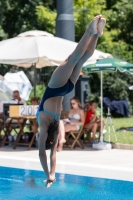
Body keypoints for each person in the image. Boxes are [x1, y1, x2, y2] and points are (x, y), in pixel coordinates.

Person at [36, 15, 106, 188]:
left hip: (67, 89)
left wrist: (51, 176)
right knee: (74, 58)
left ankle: (97, 34)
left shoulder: (52, 131)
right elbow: (41, 154)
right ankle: (90, 30)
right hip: (55, 88)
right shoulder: (44, 126)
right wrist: (47, 173)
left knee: (82, 59)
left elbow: (52, 155)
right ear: (42, 138)